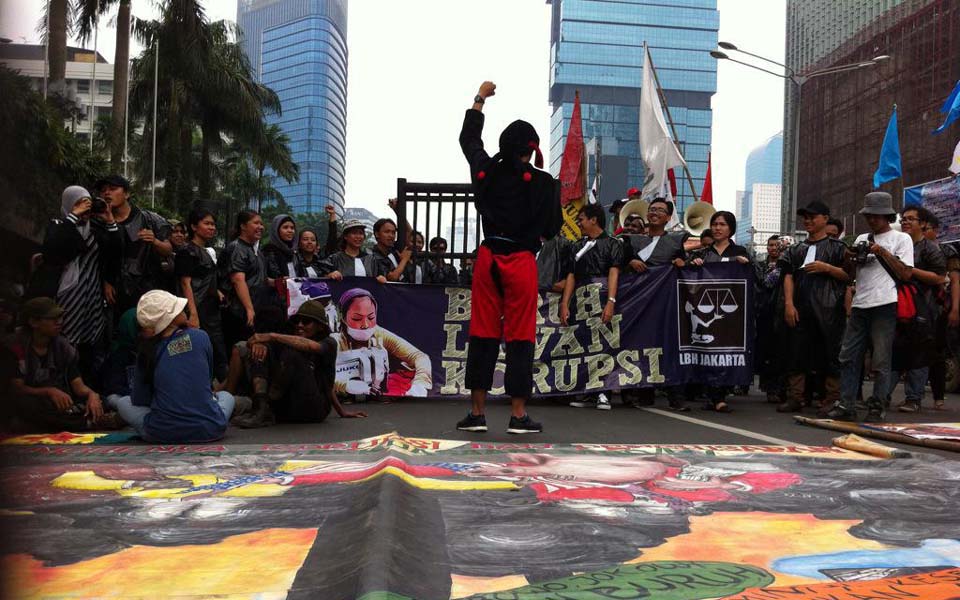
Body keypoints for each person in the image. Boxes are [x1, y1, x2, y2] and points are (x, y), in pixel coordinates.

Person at [455, 80, 561, 434]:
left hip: (489, 257)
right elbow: (553, 228)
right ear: (531, 151)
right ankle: (517, 415)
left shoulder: (486, 170)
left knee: (483, 332)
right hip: (520, 261)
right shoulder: (545, 183)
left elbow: (469, 141)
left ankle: (477, 413)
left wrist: (480, 99)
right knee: (520, 336)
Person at [106, 290, 235, 443]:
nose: (183, 309)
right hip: (209, 429)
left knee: (123, 402)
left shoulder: (147, 352)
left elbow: (140, 400)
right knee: (227, 397)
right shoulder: (201, 337)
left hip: (163, 433)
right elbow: (205, 383)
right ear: (169, 319)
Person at [831, 192, 914, 422]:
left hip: (885, 303)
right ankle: (847, 403)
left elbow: (906, 273)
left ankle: (877, 405)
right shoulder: (861, 239)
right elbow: (849, 275)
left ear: (887, 216)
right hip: (860, 303)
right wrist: (849, 257)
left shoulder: (901, 239)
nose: (872, 220)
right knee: (848, 356)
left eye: (876, 215)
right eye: (869, 215)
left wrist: (882, 252)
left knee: (880, 358)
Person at [28, 186, 121, 385]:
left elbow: (116, 253)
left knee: (90, 346)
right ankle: (62, 386)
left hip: (91, 295)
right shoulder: (59, 224)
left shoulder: (95, 228)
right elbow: (53, 249)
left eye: (88, 202)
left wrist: (110, 220)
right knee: (63, 342)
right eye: (80, 202)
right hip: (65, 295)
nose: (86, 208)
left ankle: (86, 388)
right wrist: (73, 216)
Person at [232, 297, 367, 428]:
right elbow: (251, 341)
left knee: (292, 354)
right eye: (297, 321)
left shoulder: (329, 343)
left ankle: (267, 405)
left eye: (306, 322)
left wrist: (272, 336)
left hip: (314, 409)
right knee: (263, 350)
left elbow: (326, 381)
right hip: (288, 405)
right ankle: (261, 408)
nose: (300, 325)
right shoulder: (291, 337)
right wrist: (260, 345)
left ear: (319, 326)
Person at [777, 202, 849, 414]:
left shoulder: (839, 248)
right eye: (805, 217)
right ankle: (796, 397)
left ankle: (832, 398)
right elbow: (788, 276)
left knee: (830, 353)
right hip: (800, 307)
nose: (808, 220)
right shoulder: (795, 249)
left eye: (813, 217)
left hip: (829, 309)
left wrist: (827, 268)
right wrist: (789, 304)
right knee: (797, 352)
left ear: (825, 219)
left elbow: (849, 276)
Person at [620, 198, 690, 410]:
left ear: (668, 217)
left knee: (667, 346)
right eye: (652, 209)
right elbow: (618, 264)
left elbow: (687, 266)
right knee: (639, 344)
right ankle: (641, 392)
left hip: (665, 303)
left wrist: (682, 263)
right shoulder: (632, 241)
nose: (655, 213)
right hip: (638, 303)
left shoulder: (676, 241)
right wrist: (630, 261)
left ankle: (675, 396)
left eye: (660, 210)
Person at [8, 297, 113, 431]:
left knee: (102, 401)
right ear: (34, 322)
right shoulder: (16, 346)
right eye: (52, 319)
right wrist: (48, 391)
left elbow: (78, 387)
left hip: (60, 403)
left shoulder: (63, 347)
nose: (59, 322)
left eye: (60, 317)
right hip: (35, 399)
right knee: (24, 404)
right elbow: (17, 389)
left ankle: (52, 423)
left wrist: (93, 395)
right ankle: (82, 423)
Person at [560, 203, 623, 411]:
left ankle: (603, 392)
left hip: (602, 295)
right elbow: (571, 275)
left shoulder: (613, 244)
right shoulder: (576, 246)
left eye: (581, 219)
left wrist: (610, 302)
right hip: (581, 299)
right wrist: (565, 303)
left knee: (604, 344)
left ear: (593, 220)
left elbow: (614, 272)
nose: (579, 223)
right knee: (583, 344)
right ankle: (587, 391)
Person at [686, 211, 750, 412]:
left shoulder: (740, 251)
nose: (717, 228)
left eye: (722, 224)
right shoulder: (703, 253)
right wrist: (692, 264)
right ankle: (715, 397)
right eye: (714, 224)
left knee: (727, 349)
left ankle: (719, 393)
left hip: (731, 314)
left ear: (730, 228)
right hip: (706, 310)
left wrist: (746, 265)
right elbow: (688, 279)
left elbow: (754, 275)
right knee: (708, 350)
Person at [890, 205, 945, 413]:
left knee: (920, 353)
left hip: (924, 308)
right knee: (894, 350)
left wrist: (910, 271)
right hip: (897, 306)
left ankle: (914, 398)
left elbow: (940, 277)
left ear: (923, 224)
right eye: (903, 219)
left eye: (911, 219)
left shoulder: (931, 248)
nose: (905, 222)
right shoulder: (897, 246)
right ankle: (882, 396)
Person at [333, 287, 432, 399]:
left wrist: (420, 384)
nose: (365, 325)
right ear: (343, 318)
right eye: (357, 318)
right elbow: (321, 376)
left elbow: (419, 357)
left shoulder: (379, 333)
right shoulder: (334, 341)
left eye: (371, 317)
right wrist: (346, 386)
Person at [95, 174, 172, 314]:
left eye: (112, 188)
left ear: (127, 194)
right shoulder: (97, 222)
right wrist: (107, 281)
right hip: (113, 293)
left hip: (147, 290)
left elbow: (168, 250)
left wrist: (154, 241)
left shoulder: (149, 219)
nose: (107, 193)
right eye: (103, 190)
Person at [176, 208, 228, 381]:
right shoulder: (186, 251)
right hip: (196, 309)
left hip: (210, 309)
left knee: (217, 352)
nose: (211, 227)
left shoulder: (205, 251)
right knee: (195, 351)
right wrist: (193, 313)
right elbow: (185, 283)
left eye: (213, 224)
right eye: (207, 223)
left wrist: (217, 292)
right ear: (194, 226)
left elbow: (205, 278)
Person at [219, 210, 268, 350]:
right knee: (239, 349)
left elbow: (259, 278)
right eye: (256, 223)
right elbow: (238, 280)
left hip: (253, 311)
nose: (261, 227)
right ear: (243, 226)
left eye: (262, 224)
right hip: (239, 312)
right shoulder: (237, 248)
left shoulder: (257, 251)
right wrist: (249, 309)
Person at [755, 235, 785, 405]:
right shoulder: (760, 265)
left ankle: (778, 388)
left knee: (779, 351)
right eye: (770, 245)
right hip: (764, 311)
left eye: (776, 245)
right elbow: (764, 283)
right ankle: (768, 387)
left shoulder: (788, 264)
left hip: (781, 311)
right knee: (765, 350)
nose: (772, 248)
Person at [369, 218, 414, 282]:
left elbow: (409, 233)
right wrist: (404, 260)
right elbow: (392, 277)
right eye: (387, 232)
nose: (391, 235)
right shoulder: (372, 255)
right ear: (377, 234)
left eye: (393, 232)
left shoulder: (394, 248)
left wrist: (397, 210)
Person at [262, 214, 299, 281]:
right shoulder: (269, 251)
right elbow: (274, 276)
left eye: (292, 228)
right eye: (285, 227)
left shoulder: (293, 252)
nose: (290, 230)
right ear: (276, 230)